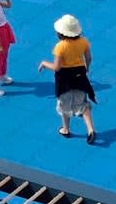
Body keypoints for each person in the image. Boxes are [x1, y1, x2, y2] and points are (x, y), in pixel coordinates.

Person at [36, 14, 98, 143]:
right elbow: (89, 58)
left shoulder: (60, 46)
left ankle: (65, 129)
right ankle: (90, 129)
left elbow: (57, 67)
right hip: (80, 75)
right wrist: (86, 68)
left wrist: (44, 63)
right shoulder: (84, 42)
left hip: (64, 79)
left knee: (64, 105)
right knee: (83, 104)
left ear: (62, 33)